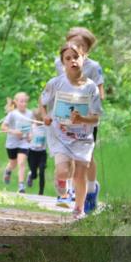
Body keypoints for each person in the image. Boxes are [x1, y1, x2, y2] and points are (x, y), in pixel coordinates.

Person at [41, 43, 104, 220]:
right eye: (68, 58)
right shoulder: (55, 83)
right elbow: (42, 102)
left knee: (79, 174)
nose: (72, 61)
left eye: (76, 57)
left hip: (83, 138)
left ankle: (78, 209)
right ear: (63, 63)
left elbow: (96, 118)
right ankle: (61, 182)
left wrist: (82, 119)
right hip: (60, 135)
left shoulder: (91, 87)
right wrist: (45, 116)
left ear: (84, 59)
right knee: (63, 171)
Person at [55, 27, 106, 208]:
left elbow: (100, 93)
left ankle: (91, 190)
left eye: (80, 45)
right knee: (65, 154)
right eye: (71, 43)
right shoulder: (59, 62)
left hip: (85, 117)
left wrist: (87, 106)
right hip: (64, 116)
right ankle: (68, 192)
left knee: (86, 158)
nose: (75, 48)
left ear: (87, 49)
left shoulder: (94, 67)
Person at [1, 92, 33, 193]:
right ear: (16, 102)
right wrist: (14, 132)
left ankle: (21, 185)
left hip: (24, 142)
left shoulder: (30, 114)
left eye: (25, 101)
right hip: (12, 143)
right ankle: (8, 170)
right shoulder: (12, 114)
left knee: (21, 162)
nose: (24, 104)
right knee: (13, 163)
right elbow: (3, 127)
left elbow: (31, 127)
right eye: (21, 101)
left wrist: (30, 135)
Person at [27, 105, 49, 196]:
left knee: (42, 170)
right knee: (34, 174)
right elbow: (27, 137)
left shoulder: (46, 127)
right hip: (32, 152)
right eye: (37, 119)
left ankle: (41, 192)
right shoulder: (32, 127)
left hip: (42, 153)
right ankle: (31, 175)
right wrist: (29, 137)